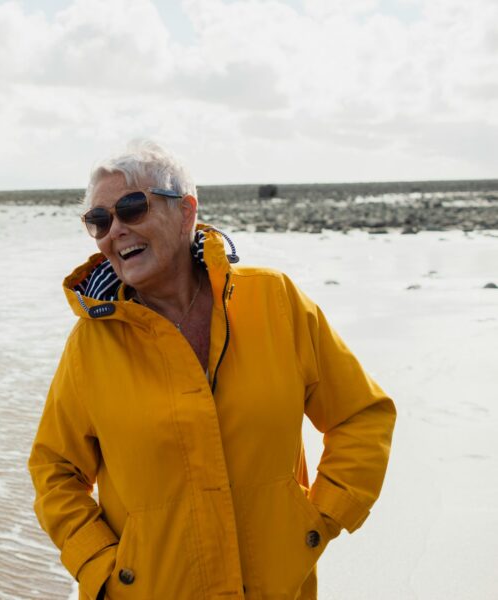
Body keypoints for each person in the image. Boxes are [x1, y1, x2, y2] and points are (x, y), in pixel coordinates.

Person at [28, 141, 396, 599]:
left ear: (186, 212)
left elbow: (361, 414)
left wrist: (320, 518)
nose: (115, 230)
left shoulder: (274, 301)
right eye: (99, 221)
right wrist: (102, 568)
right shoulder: (91, 343)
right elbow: (55, 471)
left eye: (131, 208)